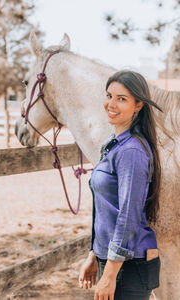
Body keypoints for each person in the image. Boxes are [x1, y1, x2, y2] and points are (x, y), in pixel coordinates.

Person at [79, 70, 162, 300]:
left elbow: (128, 215)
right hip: (116, 262)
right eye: (109, 95)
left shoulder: (131, 152)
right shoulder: (113, 146)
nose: (111, 104)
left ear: (138, 105)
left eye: (122, 98)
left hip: (128, 267)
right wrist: (95, 255)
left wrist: (110, 274)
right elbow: (107, 209)